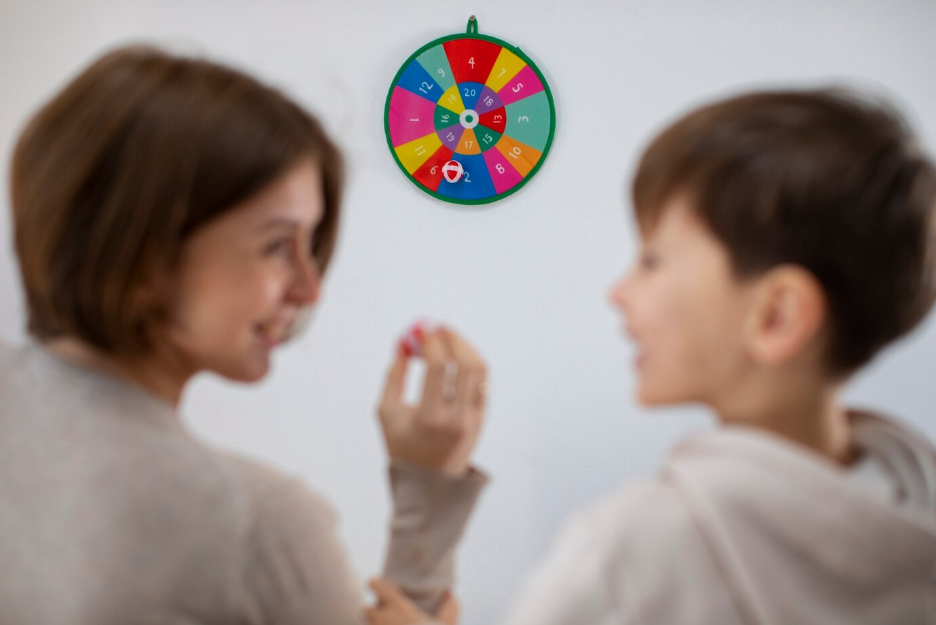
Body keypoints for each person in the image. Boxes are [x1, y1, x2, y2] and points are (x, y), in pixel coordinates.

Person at [367, 89, 936, 625]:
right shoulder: (916, 498)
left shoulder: (632, 549)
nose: (618, 291)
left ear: (776, 316)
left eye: (652, 260)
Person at [0, 45, 489, 625]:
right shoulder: (259, 526)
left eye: (311, 246)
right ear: (141, 255)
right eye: (277, 247)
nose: (311, 289)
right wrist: (427, 495)